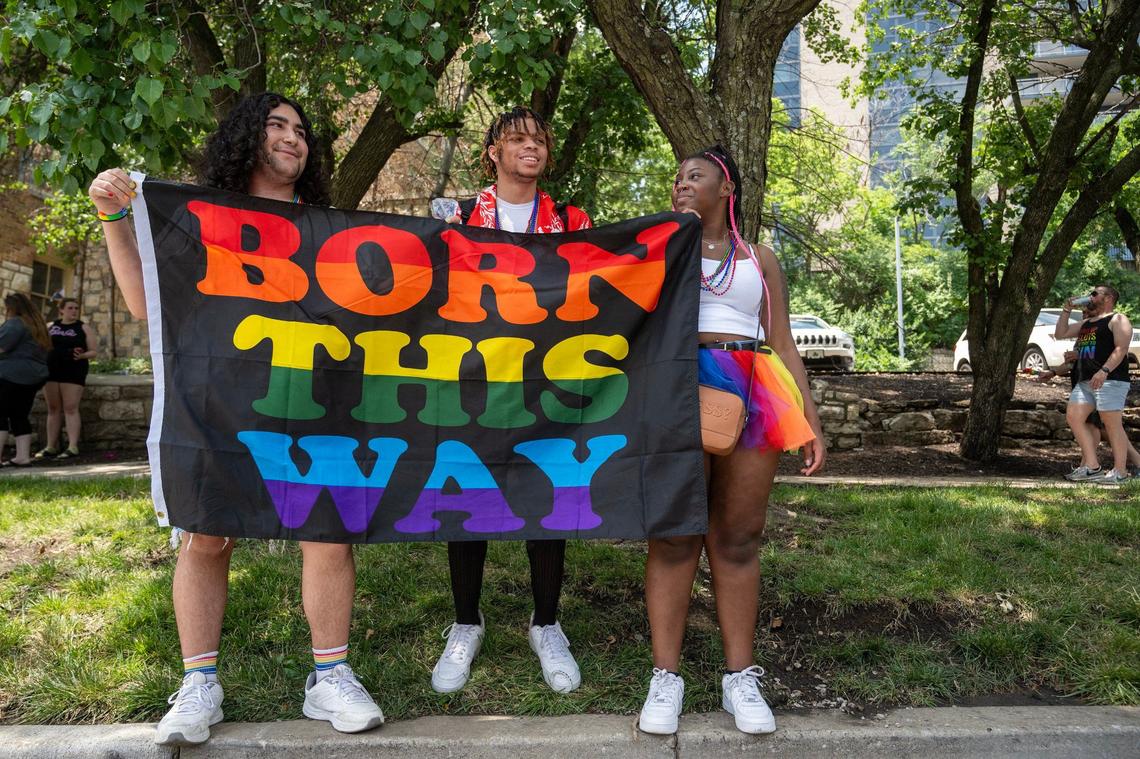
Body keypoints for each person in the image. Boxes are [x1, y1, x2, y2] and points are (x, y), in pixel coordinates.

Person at [88, 92, 383, 746]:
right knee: (207, 535)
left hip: (314, 402)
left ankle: (330, 676)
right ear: (246, 138)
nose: (292, 137)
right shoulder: (197, 218)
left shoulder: (330, 227)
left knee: (327, 532)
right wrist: (113, 215)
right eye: (277, 125)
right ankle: (199, 684)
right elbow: (141, 302)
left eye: (301, 130)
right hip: (215, 402)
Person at [637, 145, 825, 736]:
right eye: (676, 179)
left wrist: (809, 417)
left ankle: (740, 678)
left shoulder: (759, 258)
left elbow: (784, 342)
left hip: (752, 387)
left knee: (739, 537)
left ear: (727, 190)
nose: (681, 185)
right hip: (678, 390)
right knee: (673, 537)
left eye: (695, 176)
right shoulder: (662, 250)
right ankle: (665, 678)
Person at [430, 106, 591, 696]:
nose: (532, 147)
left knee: (545, 490)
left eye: (540, 140)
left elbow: (597, 288)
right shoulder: (459, 215)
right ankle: (465, 622)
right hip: (473, 378)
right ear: (491, 151)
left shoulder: (573, 219)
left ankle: (546, 623)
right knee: (467, 490)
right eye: (517, 139)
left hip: (547, 377)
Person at [1056, 285, 1134, 483]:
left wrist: (1104, 371)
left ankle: (1120, 472)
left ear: (1107, 298)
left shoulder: (1118, 319)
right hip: (1086, 380)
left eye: (1094, 294)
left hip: (1110, 379)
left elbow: (1121, 348)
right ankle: (1091, 466)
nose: (1090, 297)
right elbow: (1061, 333)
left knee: (1112, 424)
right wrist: (1066, 309)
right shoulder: (1087, 323)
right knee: (1074, 417)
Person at [36, 298, 97, 460]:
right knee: (53, 408)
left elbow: (93, 352)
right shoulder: (50, 326)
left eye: (76, 308)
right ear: (61, 310)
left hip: (73, 371)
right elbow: (39, 345)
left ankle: (72, 446)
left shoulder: (83, 328)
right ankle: (50, 446)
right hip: (51, 371)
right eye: (70, 308)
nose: (74, 311)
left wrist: (83, 355)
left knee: (70, 408)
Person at [0, 293, 51, 466]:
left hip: (10, 374)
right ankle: (23, 457)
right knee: (19, 415)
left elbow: (1, 346)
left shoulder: (15, 323)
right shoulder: (38, 325)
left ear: (12, 308)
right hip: (34, 377)